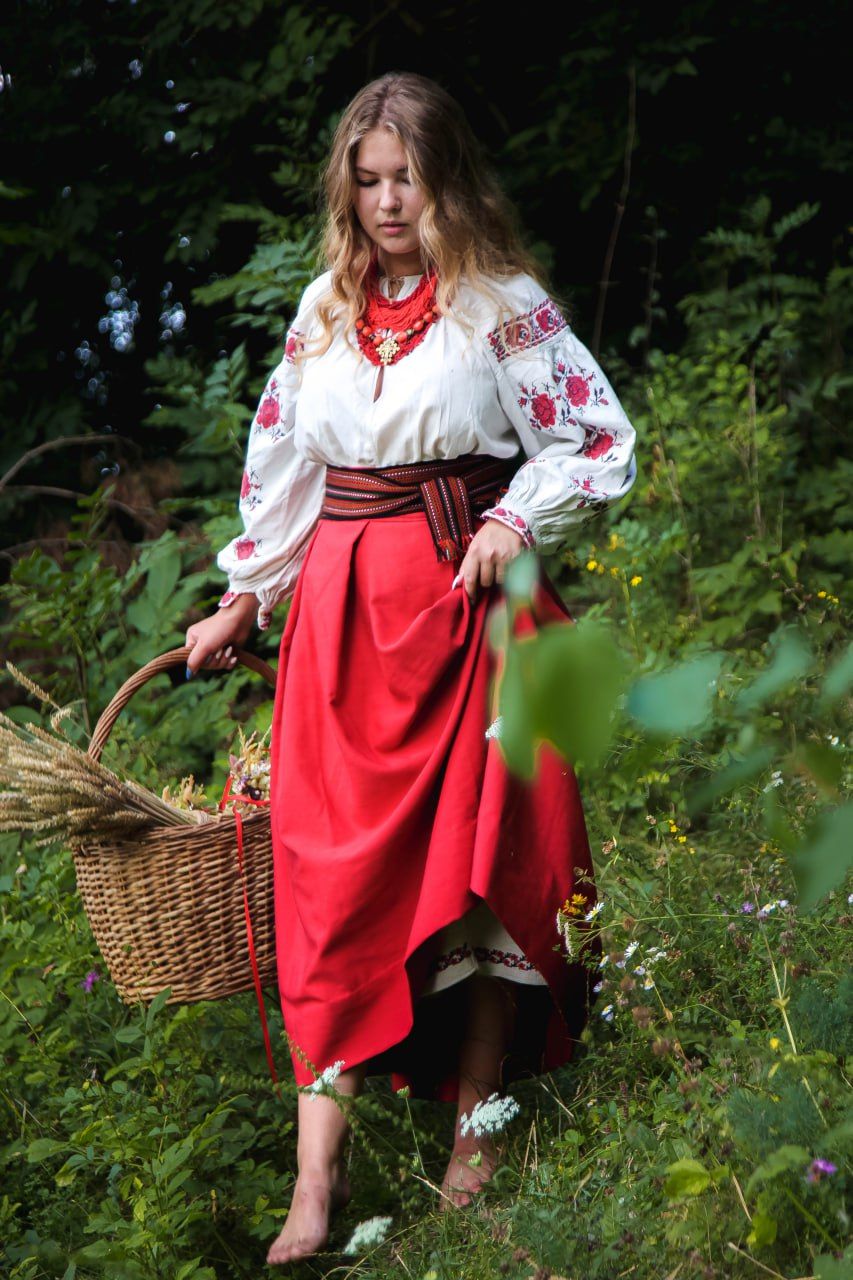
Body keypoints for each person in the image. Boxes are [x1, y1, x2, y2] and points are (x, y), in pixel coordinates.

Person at [185, 71, 637, 1265]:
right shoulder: (324, 310)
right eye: (369, 181)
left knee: (478, 876)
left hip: (466, 612)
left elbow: (595, 437)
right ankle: (314, 1182)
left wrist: (516, 517)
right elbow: (286, 469)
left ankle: (470, 1151)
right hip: (342, 627)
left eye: (410, 180)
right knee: (328, 889)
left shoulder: (500, 303)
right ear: (347, 189)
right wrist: (245, 594)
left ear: (450, 182)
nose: (388, 203)